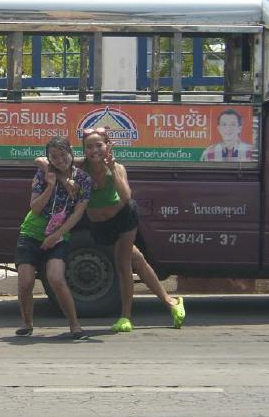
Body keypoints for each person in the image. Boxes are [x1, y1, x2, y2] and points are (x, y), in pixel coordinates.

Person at [80, 127, 185, 332]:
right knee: (138, 260)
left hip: (123, 218)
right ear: (83, 150)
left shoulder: (117, 168)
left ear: (108, 146)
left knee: (123, 263)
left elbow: (126, 196)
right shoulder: (80, 167)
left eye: (99, 145)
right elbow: (46, 160)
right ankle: (171, 302)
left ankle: (126, 317)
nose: (94, 150)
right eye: (89, 146)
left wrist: (111, 168)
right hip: (100, 225)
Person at [15, 136, 91, 340]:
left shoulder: (83, 179)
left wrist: (56, 235)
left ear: (71, 151)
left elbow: (77, 213)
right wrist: (50, 185)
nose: (59, 160)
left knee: (56, 278)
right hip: (31, 232)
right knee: (25, 281)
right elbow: (35, 207)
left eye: (63, 154)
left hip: (58, 234)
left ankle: (75, 325)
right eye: (54, 157)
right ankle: (27, 323)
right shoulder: (44, 173)